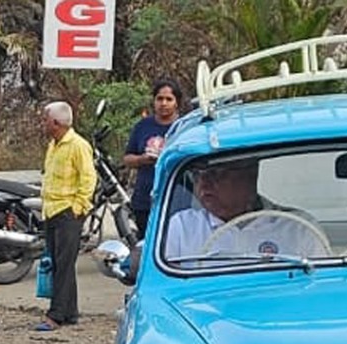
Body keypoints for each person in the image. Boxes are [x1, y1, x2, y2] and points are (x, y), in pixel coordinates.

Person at [161, 158, 326, 265]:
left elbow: (320, 285)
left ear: (251, 175)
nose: (203, 184)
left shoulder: (297, 227)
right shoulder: (182, 226)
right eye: (197, 175)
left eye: (216, 174)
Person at [35, 100, 97, 331]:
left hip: (67, 211)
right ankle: (70, 311)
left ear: (56, 123)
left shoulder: (78, 145)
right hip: (51, 209)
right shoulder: (54, 144)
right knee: (61, 263)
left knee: (63, 263)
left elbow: (89, 178)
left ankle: (56, 314)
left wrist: (78, 207)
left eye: (46, 120)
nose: (43, 124)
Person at [122, 78, 183, 238]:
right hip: (145, 199)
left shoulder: (184, 127)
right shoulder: (143, 126)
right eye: (159, 99)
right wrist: (142, 159)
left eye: (169, 99)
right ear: (154, 101)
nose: (164, 103)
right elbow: (127, 158)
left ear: (176, 102)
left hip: (177, 199)